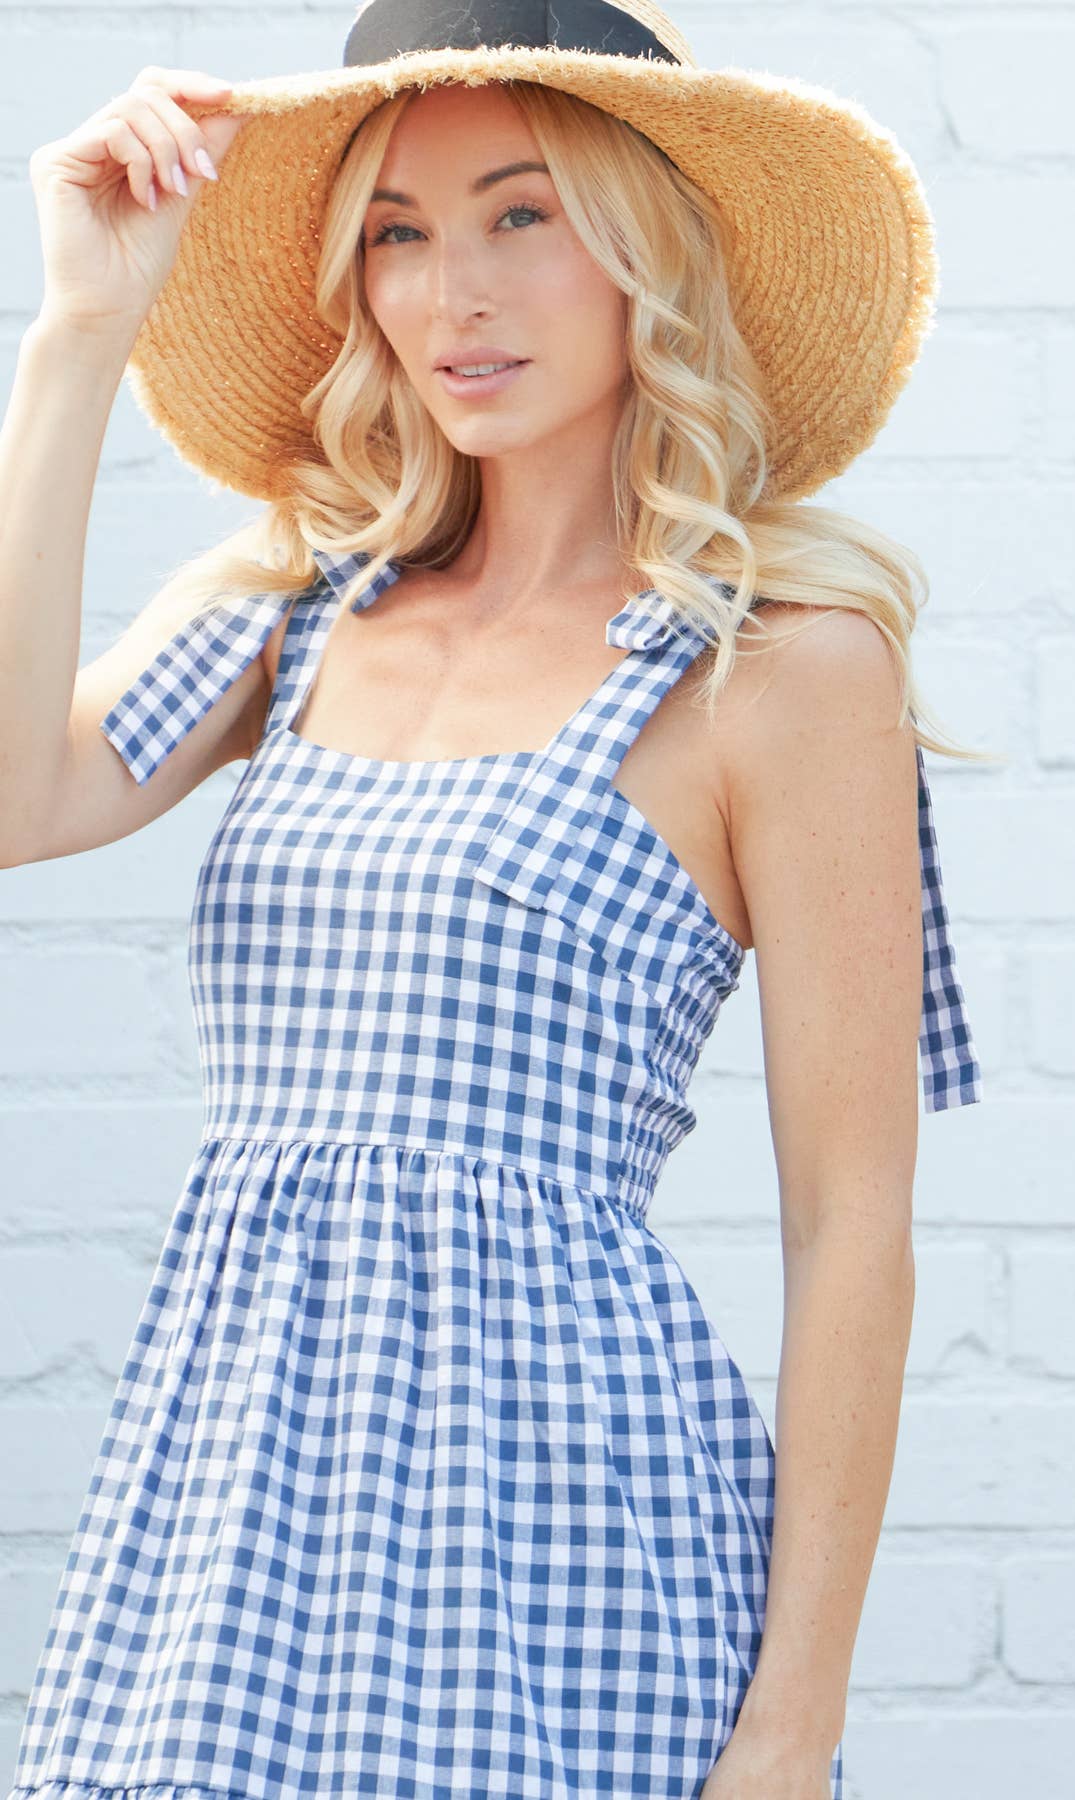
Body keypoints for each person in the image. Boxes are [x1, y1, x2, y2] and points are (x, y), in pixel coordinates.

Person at [1, 4, 986, 1797]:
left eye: (523, 214)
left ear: (648, 254)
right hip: (228, 1509)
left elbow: (855, 1221)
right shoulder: (301, 604)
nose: (454, 290)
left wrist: (794, 1727)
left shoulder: (775, 671)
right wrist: (77, 333)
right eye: (400, 227)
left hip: (558, 1530)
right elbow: (15, 798)